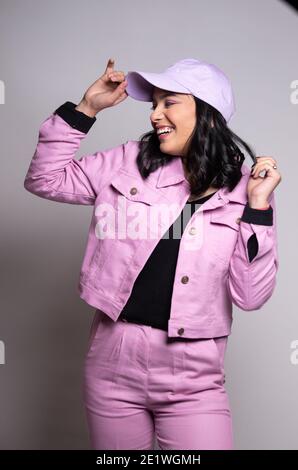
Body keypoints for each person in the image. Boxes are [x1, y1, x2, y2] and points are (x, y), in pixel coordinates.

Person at [24, 57, 281, 450]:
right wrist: (87, 108)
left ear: (208, 114)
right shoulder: (129, 162)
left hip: (193, 377)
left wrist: (259, 208)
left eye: (169, 102)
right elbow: (45, 178)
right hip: (112, 362)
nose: (155, 115)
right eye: (153, 105)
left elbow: (251, 296)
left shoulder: (248, 191)